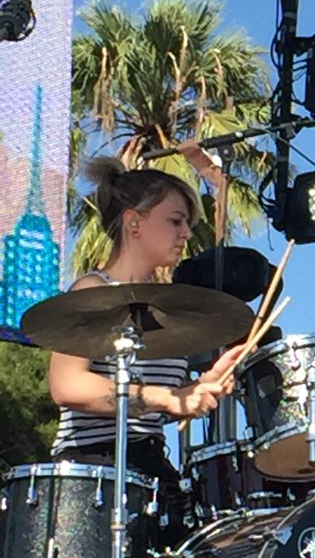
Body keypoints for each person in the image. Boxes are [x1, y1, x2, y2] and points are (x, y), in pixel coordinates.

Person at [48, 157, 243, 523]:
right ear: (133, 222)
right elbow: (67, 385)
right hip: (93, 472)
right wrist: (169, 397)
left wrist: (198, 388)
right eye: (175, 221)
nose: (186, 234)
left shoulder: (165, 308)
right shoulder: (92, 290)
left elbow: (149, 406)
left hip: (150, 470)